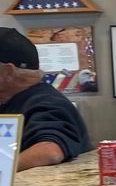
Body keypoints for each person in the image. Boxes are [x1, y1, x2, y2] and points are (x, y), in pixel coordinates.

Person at [0, 27, 90, 171]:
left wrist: (3, 169)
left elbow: (49, 150)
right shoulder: (9, 102)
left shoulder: (46, 102)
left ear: (7, 72)